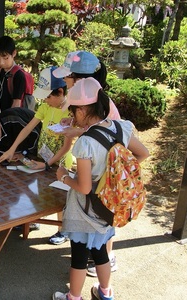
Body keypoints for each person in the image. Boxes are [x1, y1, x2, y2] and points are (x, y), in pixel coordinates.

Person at [53, 77, 149, 300]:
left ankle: (73, 296)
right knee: (101, 252)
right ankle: (105, 292)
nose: (73, 115)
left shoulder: (86, 143)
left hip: (86, 210)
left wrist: (64, 176)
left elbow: (84, 187)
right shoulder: (120, 127)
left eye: (74, 110)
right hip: (109, 206)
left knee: (78, 256)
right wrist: (115, 178)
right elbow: (143, 154)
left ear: (84, 109)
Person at [53, 50, 121, 268]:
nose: (64, 79)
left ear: (79, 78)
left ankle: (107, 258)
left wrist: (76, 133)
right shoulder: (89, 97)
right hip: (99, 171)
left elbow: (100, 134)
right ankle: (102, 261)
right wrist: (71, 122)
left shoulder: (100, 101)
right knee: (102, 213)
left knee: (103, 216)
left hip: (103, 172)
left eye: (67, 76)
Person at [0, 66, 74, 244]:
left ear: (60, 92)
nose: (45, 100)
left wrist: (48, 165)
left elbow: (66, 146)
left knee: (59, 198)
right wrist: (11, 149)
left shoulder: (70, 110)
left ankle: (63, 230)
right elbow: (28, 128)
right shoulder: (46, 108)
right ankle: (35, 220)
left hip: (60, 162)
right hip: (43, 158)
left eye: (48, 96)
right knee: (40, 192)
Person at [0, 35, 28, 114]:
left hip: (14, 118)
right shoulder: (0, 70)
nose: (1, 62)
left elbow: (16, 104)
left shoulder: (19, 75)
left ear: (14, 53)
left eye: (5, 58)